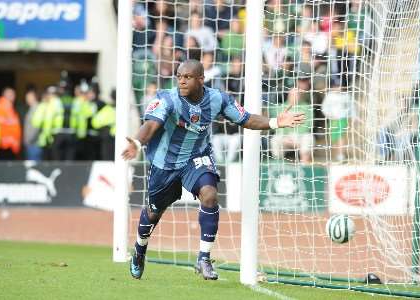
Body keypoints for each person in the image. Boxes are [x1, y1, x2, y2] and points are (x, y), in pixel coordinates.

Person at [122, 59, 305, 280]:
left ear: (201, 79)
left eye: (187, 77)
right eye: (179, 76)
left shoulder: (217, 98)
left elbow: (245, 119)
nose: (181, 81)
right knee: (153, 213)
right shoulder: (167, 98)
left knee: (209, 195)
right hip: (164, 164)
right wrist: (137, 143)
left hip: (196, 157)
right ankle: (140, 250)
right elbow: (150, 125)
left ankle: (204, 258)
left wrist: (276, 122)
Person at [0, 87, 22, 160]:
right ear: (4, 95)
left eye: (13, 94)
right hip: (4, 146)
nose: (13, 96)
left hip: (10, 146)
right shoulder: (1, 107)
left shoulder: (9, 108)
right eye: (10, 94)